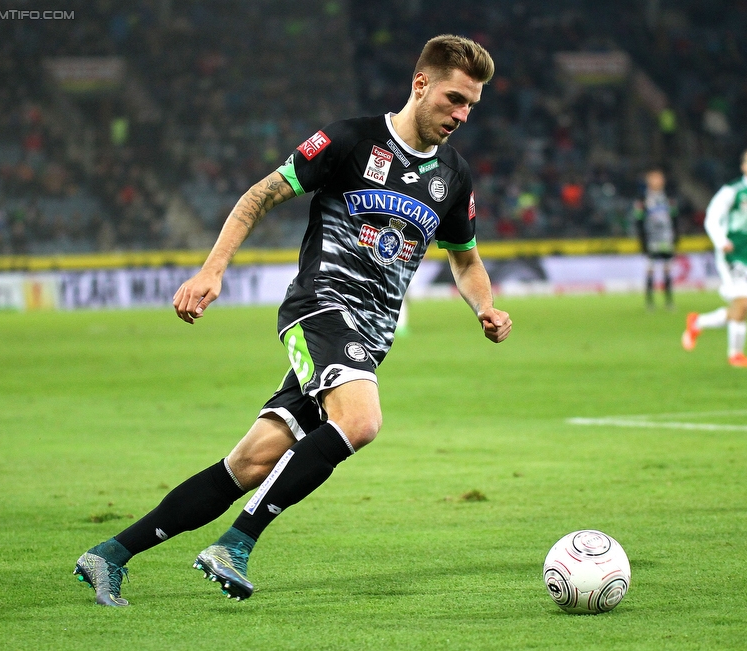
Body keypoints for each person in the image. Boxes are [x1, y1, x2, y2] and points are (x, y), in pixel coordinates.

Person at [73, 35, 512, 607]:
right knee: (361, 421)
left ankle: (109, 555)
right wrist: (212, 271)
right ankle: (234, 544)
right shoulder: (350, 140)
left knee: (250, 463)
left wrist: (485, 306)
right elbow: (260, 195)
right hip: (321, 309)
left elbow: (465, 258)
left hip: (369, 340)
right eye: (455, 99)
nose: (462, 115)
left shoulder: (453, 175)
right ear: (420, 84)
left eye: (471, 106)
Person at [681, 145, 747, 367]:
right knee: (743, 303)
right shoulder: (732, 191)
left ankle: (698, 323)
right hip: (731, 255)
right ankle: (735, 355)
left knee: (741, 308)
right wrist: (721, 241)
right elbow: (711, 217)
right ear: (744, 167)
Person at [633, 168, 678, 309]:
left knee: (667, 269)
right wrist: (642, 240)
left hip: (666, 238)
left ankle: (669, 301)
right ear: (648, 181)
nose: (657, 181)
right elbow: (638, 220)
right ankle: (650, 302)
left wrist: (676, 236)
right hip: (651, 238)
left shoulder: (669, 198)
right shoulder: (643, 198)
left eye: (659, 178)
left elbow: (675, 218)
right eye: (654, 178)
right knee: (650, 268)